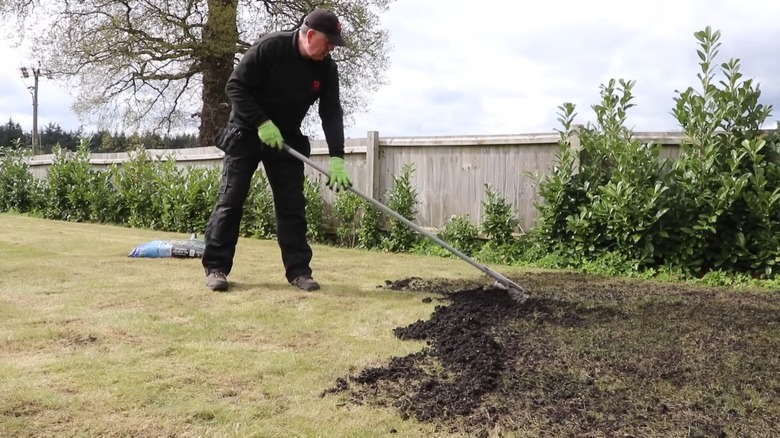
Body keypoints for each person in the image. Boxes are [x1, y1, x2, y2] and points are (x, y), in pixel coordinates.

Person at [201, 8, 352, 293]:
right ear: (310, 35)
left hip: (287, 137)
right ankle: (216, 268)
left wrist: (337, 158)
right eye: (328, 41)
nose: (331, 48)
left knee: (292, 205)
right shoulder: (270, 47)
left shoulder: (326, 68)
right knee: (231, 200)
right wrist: (262, 121)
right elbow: (235, 87)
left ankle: (299, 271)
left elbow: (331, 112)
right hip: (247, 130)